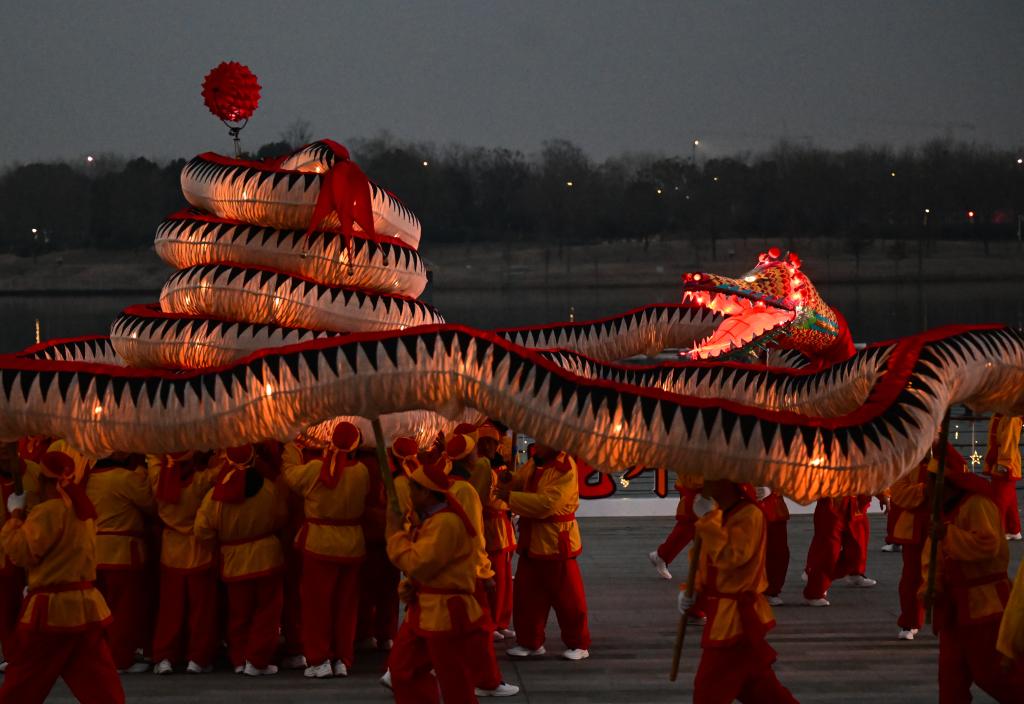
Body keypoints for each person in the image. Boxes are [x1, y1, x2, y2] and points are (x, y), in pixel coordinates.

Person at [0, 444, 125, 704]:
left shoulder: (48, 512)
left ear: (45, 480)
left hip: (51, 610)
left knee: (24, 679)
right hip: (85, 606)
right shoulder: (84, 510)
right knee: (98, 681)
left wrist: (14, 516)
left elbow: (20, 553)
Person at [677, 478, 798, 704]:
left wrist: (708, 519)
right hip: (722, 618)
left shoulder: (749, 515)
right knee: (762, 690)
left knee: (708, 691)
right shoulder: (717, 513)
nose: (702, 482)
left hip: (736, 622)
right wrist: (690, 592)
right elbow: (703, 561)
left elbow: (732, 558)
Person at [921, 451, 1024, 701]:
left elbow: (990, 547)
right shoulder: (941, 512)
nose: (927, 487)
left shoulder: (978, 505)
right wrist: (930, 587)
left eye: (932, 480)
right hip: (954, 608)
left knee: (994, 675)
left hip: (984, 604)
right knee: (950, 679)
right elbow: (931, 556)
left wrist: (949, 534)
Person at [386, 452, 488, 704]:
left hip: (445, 613)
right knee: (403, 669)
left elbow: (419, 563)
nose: (408, 492)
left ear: (426, 493)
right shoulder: (433, 520)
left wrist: (396, 535)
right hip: (425, 609)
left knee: (454, 679)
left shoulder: (446, 524)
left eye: (413, 488)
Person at [283, 421, 369, 678]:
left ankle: (319, 660)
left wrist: (290, 445)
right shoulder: (362, 472)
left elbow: (289, 475)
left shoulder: (313, 470)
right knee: (345, 607)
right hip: (352, 545)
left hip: (320, 544)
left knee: (316, 606)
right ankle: (342, 658)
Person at [194, 445, 287, 676]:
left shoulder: (214, 495)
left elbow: (202, 529)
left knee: (239, 614)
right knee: (267, 612)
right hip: (266, 558)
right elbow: (281, 517)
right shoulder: (268, 488)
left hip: (234, 560)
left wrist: (218, 545)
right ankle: (257, 661)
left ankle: (239, 659)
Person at [496, 443, 591, 661]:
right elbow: (520, 480)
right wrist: (508, 478)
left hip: (556, 541)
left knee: (568, 598)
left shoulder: (565, 467)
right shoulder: (536, 461)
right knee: (527, 595)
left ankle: (578, 642)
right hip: (532, 540)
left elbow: (547, 504)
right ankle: (530, 641)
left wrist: (510, 498)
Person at [445, 430, 519, 697]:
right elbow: (473, 532)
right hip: (468, 566)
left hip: (446, 565)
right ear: (469, 456)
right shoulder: (465, 488)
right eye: (479, 445)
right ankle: (486, 680)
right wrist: (483, 569)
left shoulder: (447, 483)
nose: (483, 449)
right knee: (478, 625)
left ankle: (400, 670)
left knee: (433, 623)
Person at [147, 450, 219, 674]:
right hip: (199, 550)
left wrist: (165, 441)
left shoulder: (158, 479)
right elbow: (225, 466)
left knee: (170, 610)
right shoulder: (201, 481)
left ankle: (164, 657)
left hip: (171, 551)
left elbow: (151, 453)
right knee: (201, 612)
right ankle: (197, 659)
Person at [85, 450, 156, 672]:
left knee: (100, 612)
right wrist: (145, 471)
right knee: (124, 610)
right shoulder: (125, 477)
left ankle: (101, 656)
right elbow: (151, 503)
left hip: (94, 552)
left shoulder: (87, 477)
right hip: (122, 553)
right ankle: (121, 659)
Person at [888, 437, 965, 640]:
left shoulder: (946, 452)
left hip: (941, 522)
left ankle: (946, 622)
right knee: (912, 576)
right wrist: (924, 490)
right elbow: (897, 492)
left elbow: (960, 477)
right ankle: (910, 621)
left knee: (944, 574)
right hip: (913, 525)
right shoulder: (905, 456)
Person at [802, 494, 884, 606]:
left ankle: (818, 578)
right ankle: (815, 591)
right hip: (832, 504)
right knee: (828, 551)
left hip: (856, 503)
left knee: (857, 553)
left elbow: (872, 476)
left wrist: (882, 494)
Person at [475, 423, 516, 640]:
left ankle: (501, 620)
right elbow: (485, 498)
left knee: (505, 580)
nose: (489, 446)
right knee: (493, 578)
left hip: (503, 527)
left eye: (492, 442)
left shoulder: (499, 467)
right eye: (485, 442)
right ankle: (490, 621)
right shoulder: (482, 468)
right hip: (491, 527)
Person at [648, 473, 703, 581]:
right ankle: (662, 555)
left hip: (705, 482)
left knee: (696, 525)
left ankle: (707, 565)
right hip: (697, 482)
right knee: (692, 524)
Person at [984, 414, 1023, 540]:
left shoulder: (1011, 417)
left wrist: (1004, 464)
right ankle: (1013, 529)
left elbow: (1010, 441)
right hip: (999, 459)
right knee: (1008, 498)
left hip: (1004, 463)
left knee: (999, 500)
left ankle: (998, 531)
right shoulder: (1000, 415)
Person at [759, 486, 791, 607]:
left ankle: (771, 591)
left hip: (773, 507)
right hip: (742, 503)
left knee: (778, 552)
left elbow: (785, 474)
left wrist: (771, 489)